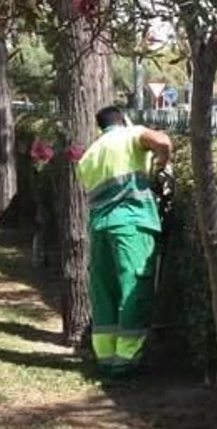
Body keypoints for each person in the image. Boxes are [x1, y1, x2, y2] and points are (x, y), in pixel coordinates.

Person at [74, 105, 172, 375]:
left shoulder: (90, 155)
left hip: (100, 227)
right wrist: (162, 163)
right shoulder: (130, 135)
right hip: (131, 224)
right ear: (124, 120)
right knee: (134, 290)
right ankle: (127, 363)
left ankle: (106, 359)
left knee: (105, 292)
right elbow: (162, 141)